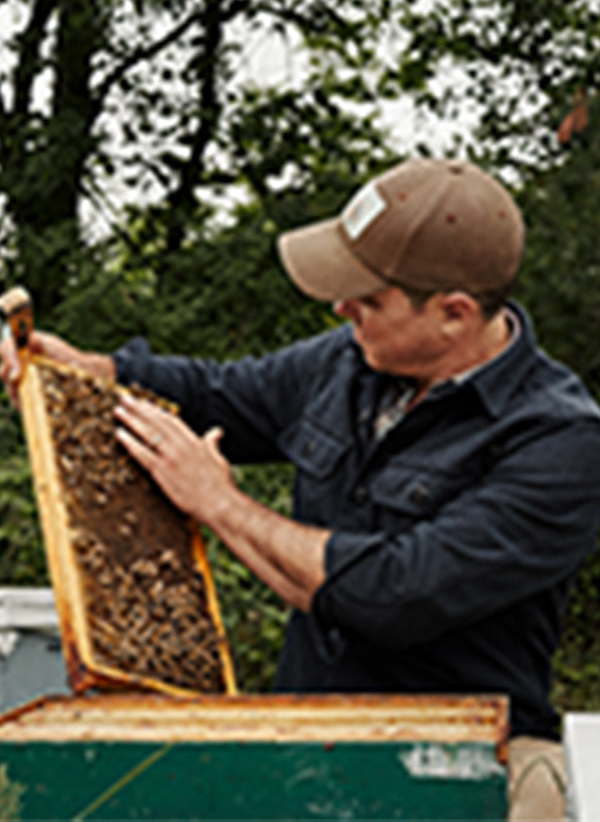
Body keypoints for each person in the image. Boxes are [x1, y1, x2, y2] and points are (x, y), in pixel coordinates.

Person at [2, 157, 599, 820]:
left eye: (368, 299)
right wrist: (86, 371)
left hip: (471, 762)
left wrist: (220, 505)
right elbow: (213, 393)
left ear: (455, 315)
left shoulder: (559, 442)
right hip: (305, 746)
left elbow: (390, 594)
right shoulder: (348, 360)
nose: (342, 309)